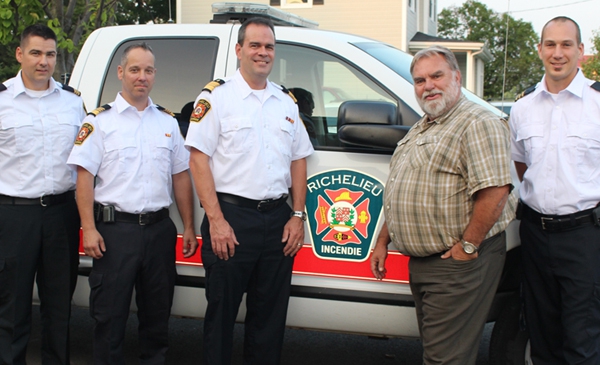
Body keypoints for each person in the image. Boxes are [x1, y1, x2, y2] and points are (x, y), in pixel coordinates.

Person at [370, 45, 516, 365]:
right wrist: (383, 239)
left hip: (456, 261)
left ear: (457, 77)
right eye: (420, 80)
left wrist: (467, 246)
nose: (428, 85)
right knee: (441, 353)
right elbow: (401, 190)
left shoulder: (477, 122)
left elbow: (495, 190)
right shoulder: (425, 125)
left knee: (444, 359)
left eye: (437, 76)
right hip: (428, 263)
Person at [185, 17, 314, 365]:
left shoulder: (285, 102)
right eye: (255, 45)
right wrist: (216, 222)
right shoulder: (217, 98)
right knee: (222, 317)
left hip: (277, 220)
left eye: (269, 46)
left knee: (269, 320)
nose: (263, 52)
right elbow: (198, 160)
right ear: (239, 50)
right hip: (231, 219)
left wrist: (297, 216)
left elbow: (299, 159)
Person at [67, 42, 198, 364]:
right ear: (121, 72)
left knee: (157, 319)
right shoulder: (99, 123)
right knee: (109, 319)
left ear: (155, 75)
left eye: (149, 70)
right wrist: (89, 228)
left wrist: (190, 226)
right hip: (115, 232)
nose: (143, 76)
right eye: (136, 69)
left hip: (158, 231)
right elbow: (84, 179)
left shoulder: (167, 124)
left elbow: (181, 177)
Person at [510, 16, 600, 364]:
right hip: (534, 236)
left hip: (585, 237)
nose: (557, 53)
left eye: (566, 45)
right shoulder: (523, 107)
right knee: (542, 336)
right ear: (540, 50)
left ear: (580, 51)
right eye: (550, 44)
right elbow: (521, 166)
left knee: (582, 341)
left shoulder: (597, 103)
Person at [0, 24, 85, 365]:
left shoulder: (73, 103)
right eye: (35, 53)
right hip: (14, 214)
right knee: (12, 308)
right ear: (20, 54)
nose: (43, 61)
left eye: (50, 54)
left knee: (58, 307)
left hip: (61, 214)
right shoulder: (2, 101)